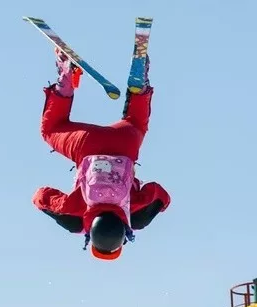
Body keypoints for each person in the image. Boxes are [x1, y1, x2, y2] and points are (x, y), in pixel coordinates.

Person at [32, 49, 171, 261]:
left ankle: (139, 87)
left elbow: (159, 192)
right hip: (85, 145)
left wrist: (155, 208)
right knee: (51, 129)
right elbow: (41, 195)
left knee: (136, 122)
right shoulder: (76, 219)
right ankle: (65, 77)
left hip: (125, 143)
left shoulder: (135, 217)